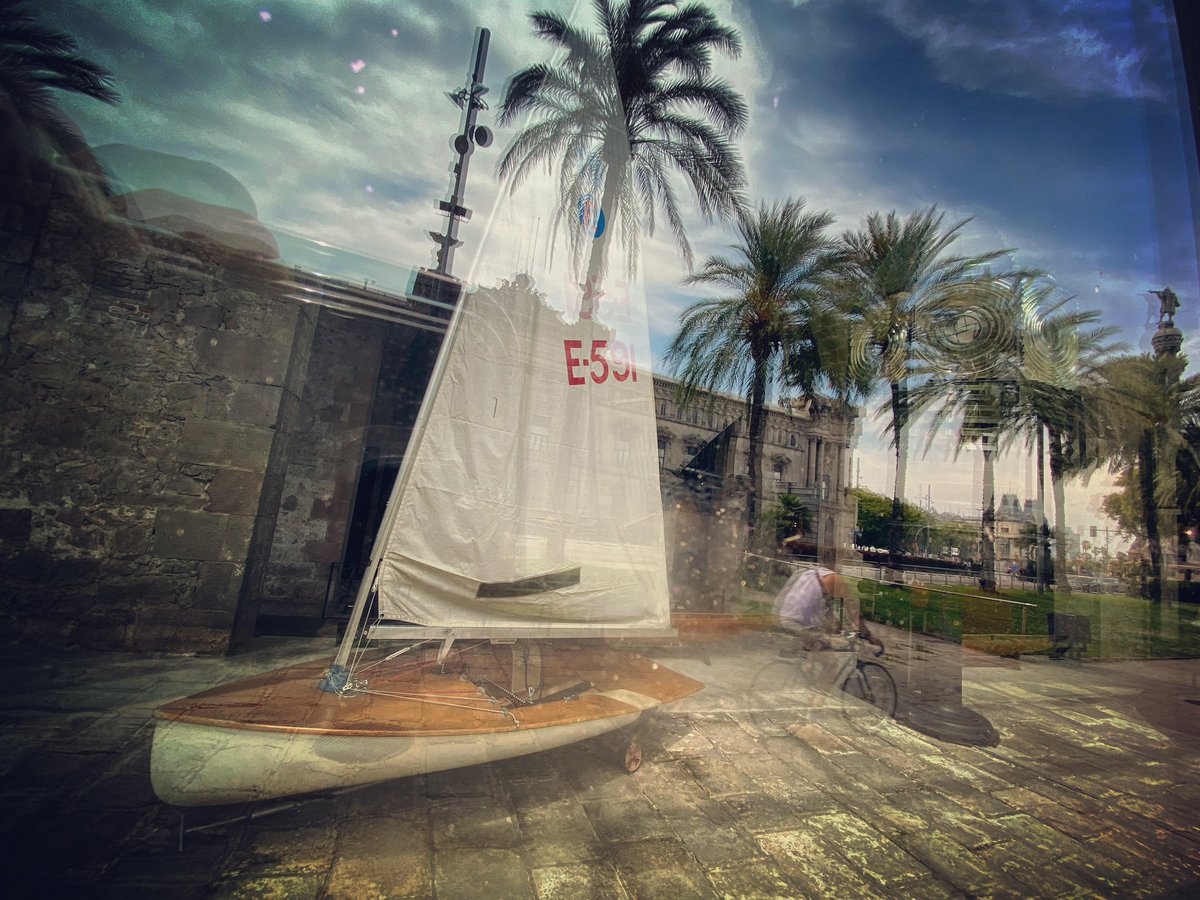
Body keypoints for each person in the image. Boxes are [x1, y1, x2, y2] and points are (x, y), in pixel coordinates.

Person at [773, 565, 883, 689]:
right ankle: (817, 702)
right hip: (799, 624)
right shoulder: (836, 580)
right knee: (831, 663)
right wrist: (868, 635)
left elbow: (824, 610)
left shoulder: (813, 574)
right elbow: (853, 611)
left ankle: (808, 671)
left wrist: (837, 626)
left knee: (822, 643)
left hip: (784, 618)